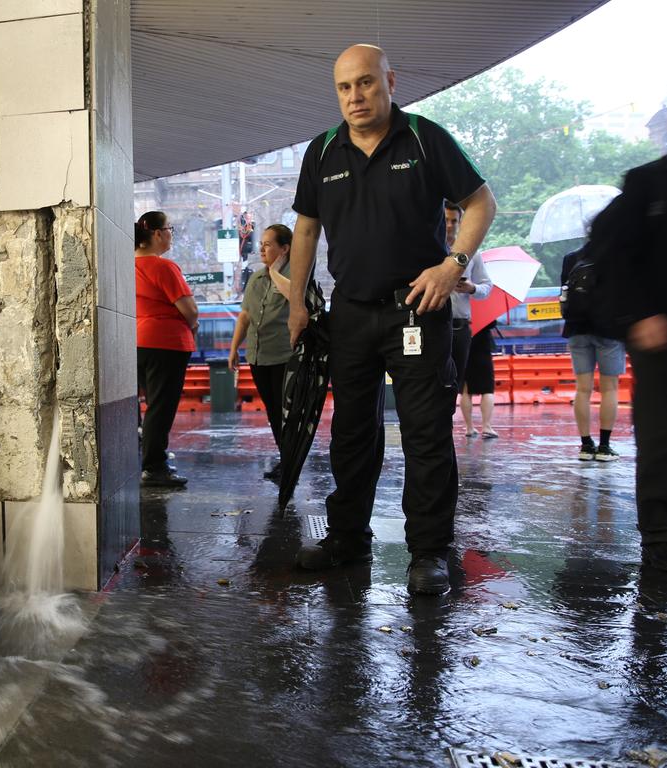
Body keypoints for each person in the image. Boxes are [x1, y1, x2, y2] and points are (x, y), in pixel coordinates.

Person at [287, 44, 496, 594]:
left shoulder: (425, 138)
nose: (355, 97)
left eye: (365, 84)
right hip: (349, 315)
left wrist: (453, 265)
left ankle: (428, 553)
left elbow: (481, 203)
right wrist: (297, 302)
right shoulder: (323, 150)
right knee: (352, 435)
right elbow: (305, 229)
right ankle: (347, 538)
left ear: (390, 82)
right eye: (344, 87)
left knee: (426, 437)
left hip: (417, 311)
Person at [610, 151, 667, 570]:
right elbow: (614, 252)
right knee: (661, 434)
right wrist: (639, 314)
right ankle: (660, 534)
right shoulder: (647, 182)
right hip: (659, 331)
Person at [135, 211, 199, 488]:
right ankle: (155, 467)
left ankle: (148, 460)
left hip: (137, 341)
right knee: (161, 407)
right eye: (170, 228)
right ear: (157, 234)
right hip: (166, 342)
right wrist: (192, 325)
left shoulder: (126, 265)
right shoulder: (163, 267)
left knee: (149, 405)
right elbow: (190, 311)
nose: (171, 233)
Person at [228, 224, 294, 481]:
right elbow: (245, 316)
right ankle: (285, 459)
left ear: (284, 248)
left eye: (268, 244)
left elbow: (297, 299)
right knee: (272, 411)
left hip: (284, 356)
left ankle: (291, 462)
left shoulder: (296, 274)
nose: (262, 249)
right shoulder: (255, 278)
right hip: (258, 356)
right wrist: (235, 349)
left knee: (287, 412)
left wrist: (276, 272)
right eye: (262, 244)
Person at [560, 237, 625, 461]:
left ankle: (586, 446)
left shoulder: (570, 259)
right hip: (608, 330)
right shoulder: (615, 258)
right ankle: (605, 448)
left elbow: (564, 294)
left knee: (583, 389)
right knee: (609, 389)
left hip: (577, 330)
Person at [445, 202, 495, 438]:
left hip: (460, 326)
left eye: (454, 221)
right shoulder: (428, 250)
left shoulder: (473, 254)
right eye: (446, 220)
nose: (449, 225)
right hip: (433, 325)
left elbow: (487, 287)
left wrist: (471, 287)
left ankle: (449, 425)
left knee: (457, 381)